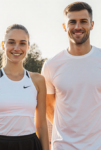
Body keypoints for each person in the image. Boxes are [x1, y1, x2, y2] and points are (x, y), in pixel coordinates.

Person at [0, 24, 49, 150]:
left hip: (30, 145)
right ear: (3, 45)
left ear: (28, 47)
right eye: (11, 42)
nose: (17, 48)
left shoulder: (38, 80)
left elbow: (41, 125)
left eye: (22, 43)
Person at [41, 2, 101, 150]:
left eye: (83, 21)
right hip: (63, 146)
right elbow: (48, 106)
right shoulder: (51, 65)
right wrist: (66, 133)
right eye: (72, 22)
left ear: (92, 25)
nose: (78, 27)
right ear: (64, 26)